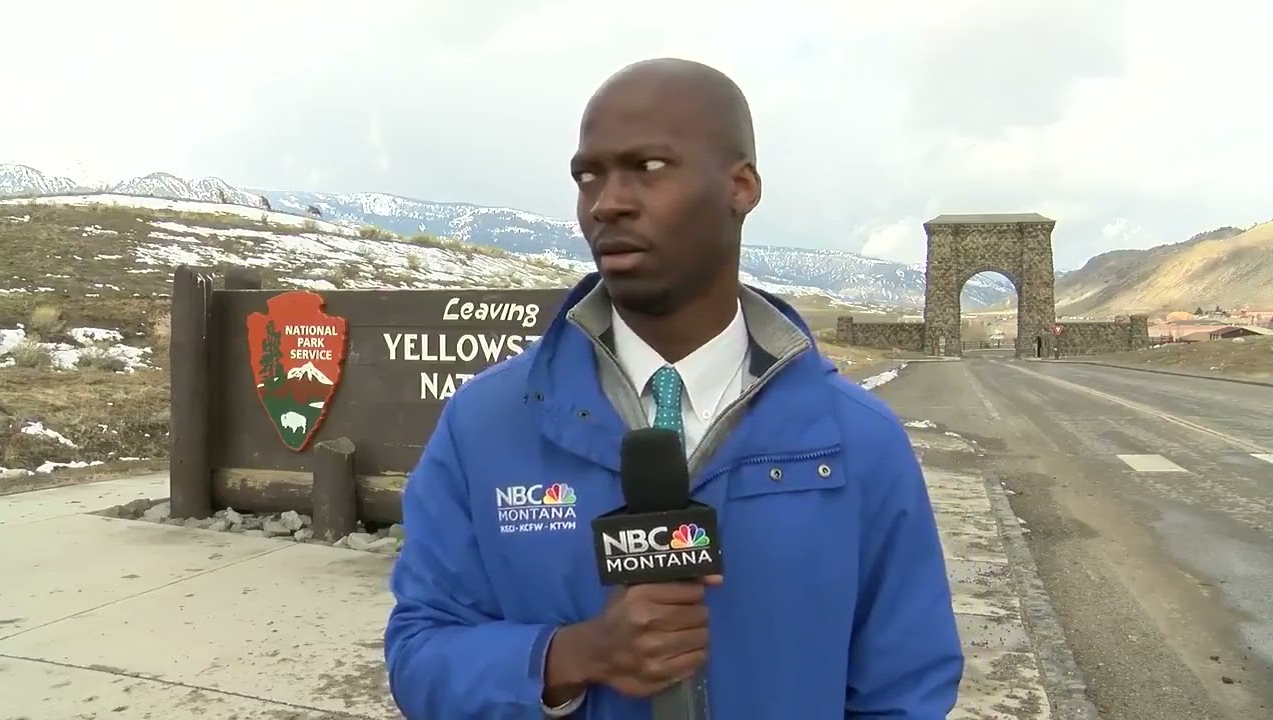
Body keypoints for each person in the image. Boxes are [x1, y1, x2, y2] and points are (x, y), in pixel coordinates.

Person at [383, 58, 964, 718]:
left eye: (649, 168)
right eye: (588, 176)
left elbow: (904, 692)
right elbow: (418, 654)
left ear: (740, 186)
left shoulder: (858, 442)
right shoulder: (484, 427)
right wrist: (570, 656)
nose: (608, 202)